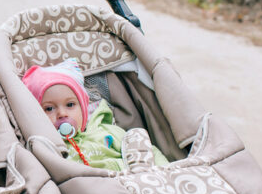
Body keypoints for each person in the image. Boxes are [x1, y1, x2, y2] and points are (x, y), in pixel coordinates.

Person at [22, 59, 168, 171]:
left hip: (128, 181)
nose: (62, 114)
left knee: (138, 137)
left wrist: (164, 172)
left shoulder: (107, 131)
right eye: (49, 109)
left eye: (70, 105)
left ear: (83, 108)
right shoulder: (48, 150)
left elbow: (149, 151)